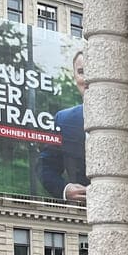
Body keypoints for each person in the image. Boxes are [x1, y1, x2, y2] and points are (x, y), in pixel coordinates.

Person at [37, 49, 88, 202]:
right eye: (81, 72)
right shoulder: (64, 120)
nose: (86, 78)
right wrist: (64, 190)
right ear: (75, 77)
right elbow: (45, 167)